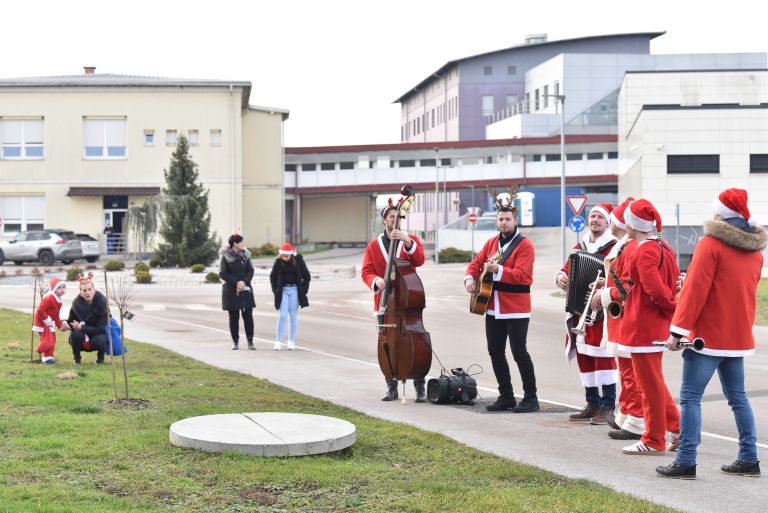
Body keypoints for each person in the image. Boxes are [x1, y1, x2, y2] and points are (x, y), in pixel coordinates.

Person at [657, 189, 766, 479]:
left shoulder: (710, 244)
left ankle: (686, 460)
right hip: (738, 337)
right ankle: (749, 458)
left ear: (722, 214)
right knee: (738, 398)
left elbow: (694, 292)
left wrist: (677, 331)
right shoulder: (755, 252)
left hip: (706, 337)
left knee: (690, 398)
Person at [615, 198, 680, 455]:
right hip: (653, 325)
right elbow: (670, 284)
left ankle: (654, 439)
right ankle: (677, 429)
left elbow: (656, 291)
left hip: (643, 325)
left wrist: (673, 310)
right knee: (654, 383)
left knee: (648, 386)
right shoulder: (664, 246)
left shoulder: (644, 250)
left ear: (632, 224)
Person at [464, 191, 539, 413]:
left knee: (519, 352)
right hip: (491, 305)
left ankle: (531, 398)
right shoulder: (491, 243)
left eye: (507, 219)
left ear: (515, 221)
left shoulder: (525, 245)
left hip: (516, 308)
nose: (503, 223)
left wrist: (500, 269)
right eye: (500, 219)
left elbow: (524, 276)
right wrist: (469, 279)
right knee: (495, 351)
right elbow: (476, 264)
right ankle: (506, 396)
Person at [555, 203, 618, 424]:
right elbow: (566, 270)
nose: (595, 220)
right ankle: (592, 403)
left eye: (600, 217)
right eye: (592, 216)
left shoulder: (613, 247)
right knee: (584, 355)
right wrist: (560, 278)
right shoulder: (578, 246)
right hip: (578, 309)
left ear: (607, 222)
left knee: (603, 357)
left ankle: (608, 406)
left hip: (601, 311)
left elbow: (619, 276)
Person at [362, 199, 427, 402]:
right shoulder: (374, 245)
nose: (394, 219)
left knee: (415, 342)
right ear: (384, 220)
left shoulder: (411, 239)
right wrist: (376, 280)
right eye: (391, 216)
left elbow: (420, 260)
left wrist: (407, 241)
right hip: (385, 303)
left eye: (397, 217)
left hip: (407, 302)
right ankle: (391, 387)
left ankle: (419, 387)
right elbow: (366, 271)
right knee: (386, 343)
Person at [590, 198, 646, 440]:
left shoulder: (630, 248)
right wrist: (606, 284)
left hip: (626, 316)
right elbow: (620, 279)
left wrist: (605, 293)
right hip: (619, 316)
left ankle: (635, 421)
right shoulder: (624, 246)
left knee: (631, 374)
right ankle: (626, 414)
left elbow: (628, 286)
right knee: (626, 372)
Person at [270, 242, 311, 350]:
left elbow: (307, 276)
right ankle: (278, 341)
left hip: (295, 291)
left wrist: (303, 290)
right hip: (283, 290)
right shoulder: (278, 262)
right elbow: (272, 277)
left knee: (293, 316)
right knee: (282, 315)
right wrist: (276, 291)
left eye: (286, 256)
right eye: (282, 256)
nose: (284, 258)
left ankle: (291, 341)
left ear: (291, 255)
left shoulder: (299, 261)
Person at [219, 233, 255, 350]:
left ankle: (250, 341)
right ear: (235, 244)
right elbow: (222, 273)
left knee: (248, 317)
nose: (243, 244)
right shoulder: (225, 256)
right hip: (231, 291)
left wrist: (244, 281)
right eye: (241, 242)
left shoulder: (245, 255)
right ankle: (235, 341)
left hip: (245, 290)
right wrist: (236, 282)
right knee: (234, 318)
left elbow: (250, 270)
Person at [67, 273, 108, 364]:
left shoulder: (102, 305)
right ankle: (77, 359)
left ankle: (100, 359)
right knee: (74, 335)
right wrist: (65, 323)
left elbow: (100, 329)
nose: (87, 292)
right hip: (82, 336)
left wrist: (81, 327)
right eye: (84, 290)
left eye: (89, 289)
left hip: (97, 334)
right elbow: (70, 321)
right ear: (81, 293)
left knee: (101, 339)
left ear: (94, 290)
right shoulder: (76, 305)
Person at [33, 277, 70, 364]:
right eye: (59, 287)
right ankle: (41, 348)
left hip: (49, 323)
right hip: (43, 323)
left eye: (63, 287)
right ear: (53, 289)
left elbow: (56, 315)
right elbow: (40, 310)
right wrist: (47, 320)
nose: (62, 289)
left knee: (53, 339)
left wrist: (60, 325)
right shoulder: (50, 298)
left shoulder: (59, 300)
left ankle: (48, 358)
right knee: (49, 340)